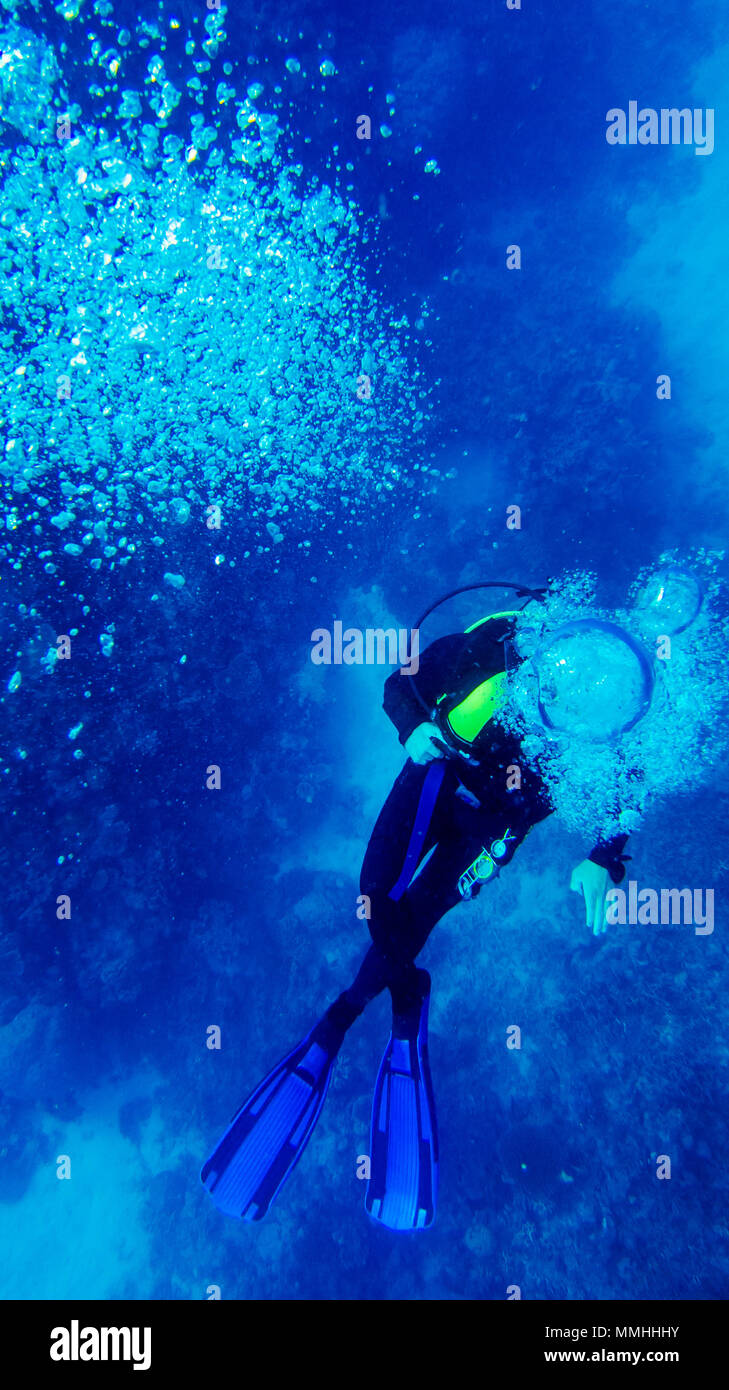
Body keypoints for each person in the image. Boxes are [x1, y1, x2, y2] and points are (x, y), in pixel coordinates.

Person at [202, 595, 631, 1230]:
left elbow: (628, 783)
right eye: (556, 673)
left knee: (421, 914)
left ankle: (350, 1014)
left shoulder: (604, 714)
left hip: (491, 825)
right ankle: (396, 997)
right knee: (375, 900)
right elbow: (395, 685)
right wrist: (413, 728)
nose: (560, 698)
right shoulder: (484, 649)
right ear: (542, 645)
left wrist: (603, 857)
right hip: (435, 780)